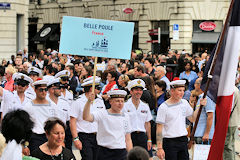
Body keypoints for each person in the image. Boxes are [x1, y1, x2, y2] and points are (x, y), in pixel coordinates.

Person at [156, 80, 207, 160]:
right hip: (170, 142)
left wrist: (199, 106)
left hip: (183, 140)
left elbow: (192, 118)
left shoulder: (184, 103)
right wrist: (159, 148)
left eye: (183, 90)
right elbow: (159, 129)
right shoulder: (163, 107)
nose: (182, 93)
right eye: (179, 90)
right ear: (172, 91)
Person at [83, 89, 133, 160]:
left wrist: (131, 154)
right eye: (117, 101)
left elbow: (128, 139)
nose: (120, 103)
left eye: (122, 101)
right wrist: (88, 102)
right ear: (110, 102)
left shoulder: (126, 116)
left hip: (121, 152)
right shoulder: (102, 113)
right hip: (105, 152)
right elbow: (86, 117)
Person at [70, 76, 105, 160]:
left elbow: (103, 118)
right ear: (90, 89)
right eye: (97, 87)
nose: (99, 89)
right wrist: (76, 138)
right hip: (84, 136)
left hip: (98, 136)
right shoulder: (78, 101)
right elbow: (72, 121)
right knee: (88, 158)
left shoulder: (100, 100)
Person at [24, 79, 61, 153]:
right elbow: (24, 126)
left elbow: (57, 124)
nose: (44, 92)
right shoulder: (28, 106)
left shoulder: (53, 105)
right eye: (41, 90)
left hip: (50, 138)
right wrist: (24, 145)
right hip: (35, 138)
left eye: (45, 90)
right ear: (35, 90)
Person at [124, 79, 153, 157]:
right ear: (131, 91)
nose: (138, 92)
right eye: (136, 90)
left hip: (142, 136)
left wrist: (149, 139)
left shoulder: (145, 106)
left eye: (140, 90)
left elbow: (147, 123)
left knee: (147, 157)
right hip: (129, 136)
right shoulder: (125, 106)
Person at [194, 78, 215, 145]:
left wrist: (206, 133)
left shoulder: (207, 98)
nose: (194, 85)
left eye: (195, 83)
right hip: (198, 133)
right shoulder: (201, 97)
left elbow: (210, 116)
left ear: (199, 85)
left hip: (203, 135)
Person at [223, 86, 240, 159]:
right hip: (232, 121)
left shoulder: (231, 90)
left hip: (229, 122)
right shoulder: (234, 89)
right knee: (230, 145)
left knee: (227, 146)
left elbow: (229, 108)